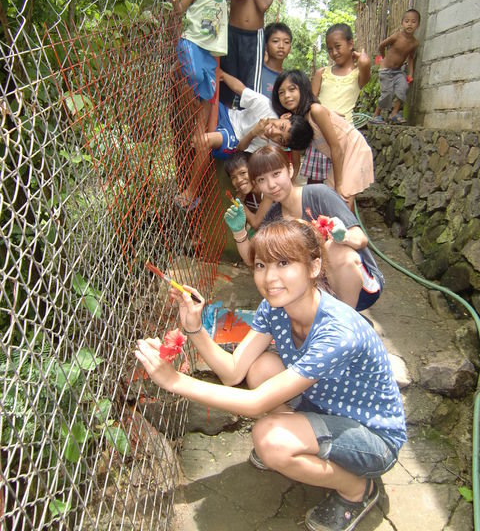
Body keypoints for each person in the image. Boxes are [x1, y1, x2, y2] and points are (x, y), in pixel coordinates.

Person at [135, 219, 406, 531]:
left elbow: (255, 403)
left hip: (372, 438)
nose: (269, 277)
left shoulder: (338, 332)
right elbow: (233, 372)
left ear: (314, 266)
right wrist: (194, 327)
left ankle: (358, 489)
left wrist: (173, 381)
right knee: (261, 367)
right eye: (261, 265)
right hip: (326, 408)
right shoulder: (275, 308)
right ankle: (297, 445)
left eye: (284, 263)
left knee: (269, 439)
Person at [225, 145, 384, 312]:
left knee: (333, 248)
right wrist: (239, 231)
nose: (271, 184)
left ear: (290, 170)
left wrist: (342, 237)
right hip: (321, 288)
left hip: (363, 286)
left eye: (276, 174)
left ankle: (344, 320)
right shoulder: (273, 218)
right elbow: (253, 259)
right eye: (262, 180)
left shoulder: (319, 194)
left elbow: (361, 238)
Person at [161, 0, 250, 204]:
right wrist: (175, 0)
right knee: (192, 74)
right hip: (191, 44)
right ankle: (184, 89)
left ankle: (197, 130)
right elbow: (180, 10)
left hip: (210, 56)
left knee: (208, 93)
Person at [176, 72, 313, 209]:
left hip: (233, 138)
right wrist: (222, 75)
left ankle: (191, 190)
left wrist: (253, 133)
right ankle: (179, 80)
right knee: (200, 95)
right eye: (282, 127)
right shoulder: (266, 106)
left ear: (282, 145)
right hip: (227, 115)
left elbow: (240, 148)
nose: (275, 132)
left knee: (205, 140)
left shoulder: (269, 146)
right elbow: (240, 88)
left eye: (280, 139)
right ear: (285, 116)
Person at [271, 70, 374, 210]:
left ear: (303, 88)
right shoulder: (295, 121)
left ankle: (350, 222)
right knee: (335, 204)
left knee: (342, 199)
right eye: (281, 93)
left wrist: (339, 184)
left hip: (354, 150)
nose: (287, 96)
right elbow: (295, 158)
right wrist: (291, 180)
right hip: (340, 157)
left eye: (292, 89)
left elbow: (336, 147)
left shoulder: (315, 111)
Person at [302, 23, 371, 185]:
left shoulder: (358, 75)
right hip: (319, 133)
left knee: (341, 185)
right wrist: (327, 114)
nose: (334, 52)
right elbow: (309, 103)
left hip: (344, 135)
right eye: (330, 49)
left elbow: (365, 62)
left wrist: (357, 55)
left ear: (350, 43)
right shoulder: (322, 73)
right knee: (315, 185)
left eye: (338, 46)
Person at [371, 9, 420, 125]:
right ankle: (376, 115)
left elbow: (411, 58)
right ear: (402, 23)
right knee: (387, 93)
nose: (410, 24)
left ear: (418, 25)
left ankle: (394, 113)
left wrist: (410, 74)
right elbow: (381, 45)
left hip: (398, 71)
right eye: (407, 21)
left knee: (403, 87)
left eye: (413, 22)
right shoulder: (397, 36)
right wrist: (383, 57)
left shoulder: (414, 43)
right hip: (385, 70)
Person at [224, 151, 272, 231]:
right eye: (233, 177)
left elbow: (256, 224)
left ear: (255, 170)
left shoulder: (268, 189)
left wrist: (240, 203)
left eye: (243, 173)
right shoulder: (246, 196)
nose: (239, 180)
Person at [260, 22, 293, 98]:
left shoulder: (290, 78)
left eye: (286, 42)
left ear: (290, 48)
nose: (281, 46)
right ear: (265, 46)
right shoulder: (256, 72)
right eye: (275, 41)